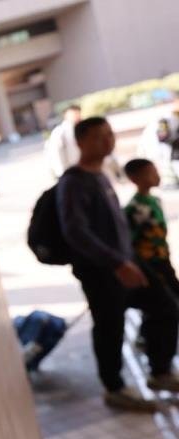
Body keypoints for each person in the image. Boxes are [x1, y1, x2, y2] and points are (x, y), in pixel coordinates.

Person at [57, 117, 179, 411]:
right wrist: (117, 263)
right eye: (99, 136)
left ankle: (159, 371)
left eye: (110, 135)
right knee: (110, 328)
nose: (107, 141)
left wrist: (130, 259)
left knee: (165, 305)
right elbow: (76, 231)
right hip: (102, 272)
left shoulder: (100, 175)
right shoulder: (73, 182)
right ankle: (115, 389)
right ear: (81, 142)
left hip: (127, 263)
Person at [123, 158, 179, 296]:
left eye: (156, 172)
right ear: (134, 178)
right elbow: (130, 240)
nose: (157, 176)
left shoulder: (155, 200)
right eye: (150, 173)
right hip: (150, 262)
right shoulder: (134, 208)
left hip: (162, 256)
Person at [46, 105, 82, 178]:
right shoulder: (59, 132)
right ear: (66, 115)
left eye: (78, 114)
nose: (77, 116)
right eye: (74, 114)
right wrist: (63, 174)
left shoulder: (81, 128)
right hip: (69, 171)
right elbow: (56, 153)